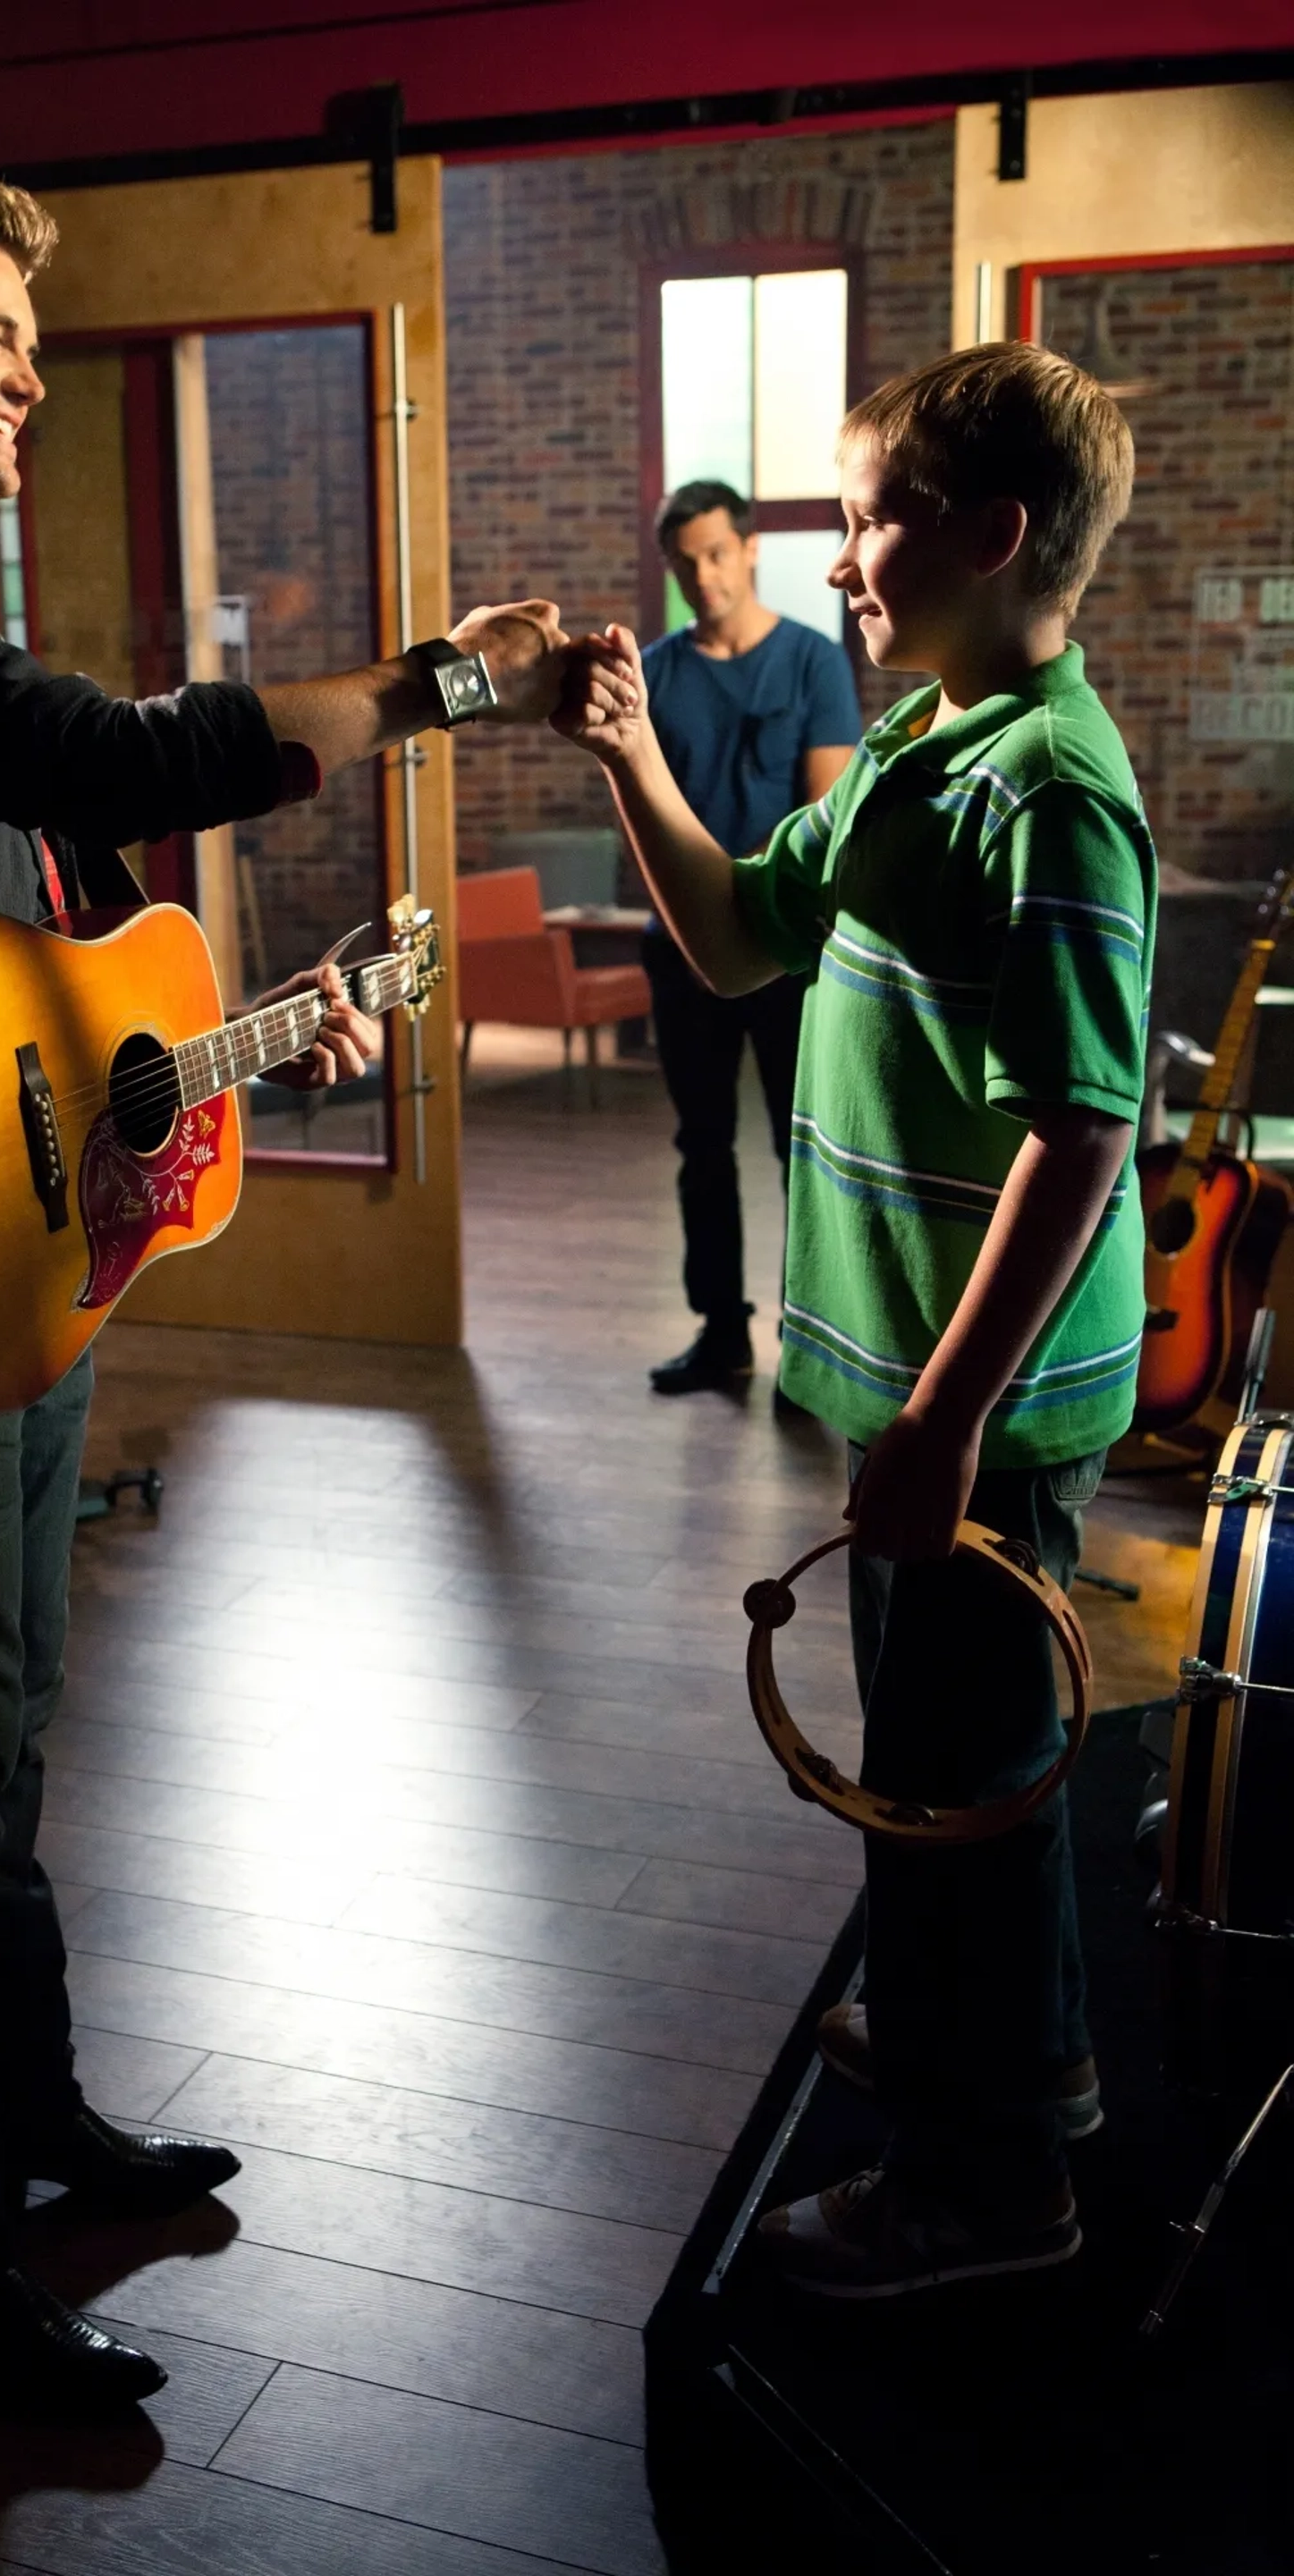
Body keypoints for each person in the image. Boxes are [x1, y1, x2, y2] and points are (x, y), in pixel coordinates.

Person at [0, 143, 574, 2409]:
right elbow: (91, 748)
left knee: (4, 1726)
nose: (23, 374)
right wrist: (429, 693)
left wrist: (237, 1053)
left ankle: (36, 2117)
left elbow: (44, 964)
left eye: (23, 333)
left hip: (12, 1252)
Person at [558, 342, 1149, 2297]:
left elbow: (1087, 1128)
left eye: (872, 514)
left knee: (948, 1791)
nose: (840, 559)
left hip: (964, 1413)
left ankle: (982, 2194)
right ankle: (1020, 2068)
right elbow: (734, 933)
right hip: (906, 1387)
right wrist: (632, 754)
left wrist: (951, 1418)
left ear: (991, 536)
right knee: (950, 1766)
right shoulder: (924, 745)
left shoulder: (1051, 790)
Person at [639, 480, 858, 1397]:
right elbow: (642, 810)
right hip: (679, 943)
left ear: (752, 547)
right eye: (686, 562)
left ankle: (808, 1346)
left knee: (797, 1145)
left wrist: (748, 903)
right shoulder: (654, 670)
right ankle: (721, 1330)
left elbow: (823, 815)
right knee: (702, 1142)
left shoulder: (813, 662)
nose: (704, 574)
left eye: (717, 553)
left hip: (786, 948)